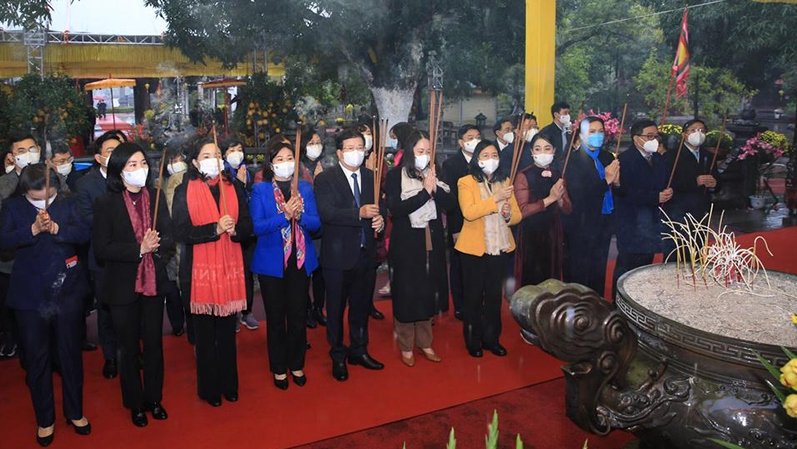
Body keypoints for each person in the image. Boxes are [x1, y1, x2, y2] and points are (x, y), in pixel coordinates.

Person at [0, 164, 92, 446]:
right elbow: (3, 240)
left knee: (70, 354)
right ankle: (45, 419)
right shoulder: (13, 207)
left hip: (67, 291)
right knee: (37, 359)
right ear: (26, 191)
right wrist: (32, 229)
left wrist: (56, 228)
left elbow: (84, 234)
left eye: (49, 194)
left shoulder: (67, 202)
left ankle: (75, 411)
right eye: (38, 196)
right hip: (30, 296)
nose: (45, 200)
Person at [92, 142, 174, 427]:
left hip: (153, 282)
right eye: (132, 165)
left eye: (143, 164)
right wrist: (139, 248)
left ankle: (154, 398)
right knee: (128, 347)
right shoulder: (106, 203)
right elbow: (101, 249)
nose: (141, 170)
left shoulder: (155, 196)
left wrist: (158, 245)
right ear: (119, 171)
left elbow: (170, 235)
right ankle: (134, 403)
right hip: (122, 286)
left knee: (153, 344)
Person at [172, 137, 251, 406]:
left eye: (217, 154)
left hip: (230, 270)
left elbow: (248, 226)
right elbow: (180, 231)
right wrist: (213, 230)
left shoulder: (234, 186)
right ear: (195, 161)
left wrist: (236, 230)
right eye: (206, 155)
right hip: (199, 274)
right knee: (205, 337)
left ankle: (230, 384)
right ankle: (209, 389)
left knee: (227, 335)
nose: (214, 159)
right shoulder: (185, 190)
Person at [314, 128, 385, 381]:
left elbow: (380, 209)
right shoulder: (326, 179)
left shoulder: (371, 176)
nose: (357, 153)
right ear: (340, 152)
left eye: (361, 148)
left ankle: (359, 349)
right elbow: (327, 213)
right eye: (351, 148)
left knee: (360, 307)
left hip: (365, 255)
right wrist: (358, 213)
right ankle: (338, 355)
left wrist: (380, 220)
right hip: (337, 257)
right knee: (335, 309)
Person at [250, 139, 321, 389]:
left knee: (299, 315)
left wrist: (300, 215)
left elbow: (316, 224)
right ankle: (278, 367)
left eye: (289, 158)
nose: (285, 163)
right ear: (271, 164)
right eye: (279, 159)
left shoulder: (304, 188)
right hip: (272, 264)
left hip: (300, 261)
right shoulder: (260, 191)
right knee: (276, 318)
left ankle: (296, 363)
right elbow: (256, 227)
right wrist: (284, 216)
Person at [385, 130, 454, 367]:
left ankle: (425, 342)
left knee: (427, 290)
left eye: (427, 152)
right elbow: (396, 208)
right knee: (407, 292)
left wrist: (434, 189)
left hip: (431, 240)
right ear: (410, 152)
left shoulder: (435, 173)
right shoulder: (396, 176)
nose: (424, 156)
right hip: (406, 242)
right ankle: (405, 344)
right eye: (420, 151)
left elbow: (450, 204)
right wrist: (424, 193)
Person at [455, 140, 521, 357]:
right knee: (473, 297)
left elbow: (517, 215)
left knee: (494, 296)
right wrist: (496, 200)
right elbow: (469, 212)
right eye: (485, 155)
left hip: (499, 247)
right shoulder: (466, 182)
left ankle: (492, 339)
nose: (490, 159)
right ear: (477, 159)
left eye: (494, 154)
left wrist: (508, 214)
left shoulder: (506, 181)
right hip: (474, 249)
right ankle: (473, 341)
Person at [75, 131, 122, 379]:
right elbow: (87, 221)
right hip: (102, 259)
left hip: (132, 256)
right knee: (106, 311)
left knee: (133, 308)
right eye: (111, 151)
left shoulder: (133, 177)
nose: (117, 156)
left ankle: (132, 353)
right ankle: (111, 357)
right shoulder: (86, 185)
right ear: (99, 157)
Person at [612, 119, 673, 298]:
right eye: (649, 136)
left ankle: (642, 300)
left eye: (656, 136)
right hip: (631, 221)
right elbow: (624, 191)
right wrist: (654, 197)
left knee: (647, 265)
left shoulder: (659, 159)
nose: (654, 140)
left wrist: (667, 191)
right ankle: (620, 302)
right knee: (628, 265)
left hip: (652, 221)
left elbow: (663, 182)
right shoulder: (624, 160)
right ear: (636, 138)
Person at [563, 116, 620, 297]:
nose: (598, 136)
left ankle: (597, 306)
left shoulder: (607, 156)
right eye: (592, 132)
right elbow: (580, 194)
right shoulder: (572, 160)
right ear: (581, 135)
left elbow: (616, 188)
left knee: (599, 267)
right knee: (580, 269)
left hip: (604, 220)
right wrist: (606, 180)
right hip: (581, 223)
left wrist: (617, 183)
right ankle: (578, 309)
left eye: (601, 131)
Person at [513, 134, 572, 287]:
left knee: (551, 276)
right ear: (532, 152)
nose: (543, 153)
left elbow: (568, 209)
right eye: (538, 149)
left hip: (553, 232)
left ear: (554, 151)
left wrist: (560, 199)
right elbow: (523, 211)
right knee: (531, 276)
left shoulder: (559, 174)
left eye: (547, 148)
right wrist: (550, 199)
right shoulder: (523, 175)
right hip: (530, 234)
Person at [441, 124, 481, 320]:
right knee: (458, 266)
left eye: (477, 136)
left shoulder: (483, 160)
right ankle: (459, 304)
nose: (475, 140)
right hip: (460, 222)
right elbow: (451, 200)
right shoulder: (451, 165)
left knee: (477, 265)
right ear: (461, 142)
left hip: (481, 221)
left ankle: (477, 301)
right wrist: (455, 228)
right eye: (470, 137)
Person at [222, 138, 258, 332]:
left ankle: (247, 311)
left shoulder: (248, 173)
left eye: (240, 149)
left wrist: (245, 186)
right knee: (232, 274)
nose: (237, 153)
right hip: (228, 232)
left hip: (247, 232)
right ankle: (233, 312)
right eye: (232, 149)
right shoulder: (223, 176)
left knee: (248, 274)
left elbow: (251, 203)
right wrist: (239, 185)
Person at [298, 127, 327, 328]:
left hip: (323, 226)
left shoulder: (325, 165)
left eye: (318, 142)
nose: (315, 146)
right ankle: (306, 308)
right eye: (311, 143)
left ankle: (318, 307)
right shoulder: (298, 169)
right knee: (304, 271)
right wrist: (317, 181)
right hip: (304, 226)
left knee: (320, 272)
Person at [665, 118, 717, 225]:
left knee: (701, 237)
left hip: (702, 205)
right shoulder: (672, 155)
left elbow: (717, 178)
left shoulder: (708, 155)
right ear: (684, 134)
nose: (698, 133)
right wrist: (694, 182)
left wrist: (714, 183)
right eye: (693, 130)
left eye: (702, 131)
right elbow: (668, 181)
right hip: (679, 207)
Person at [0, 133, 42, 200]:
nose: (28, 154)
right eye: (21, 151)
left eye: (32, 149)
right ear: (11, 157)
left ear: (39, 149)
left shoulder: (55, 177)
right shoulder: (2, 184)